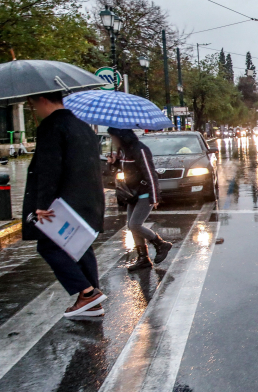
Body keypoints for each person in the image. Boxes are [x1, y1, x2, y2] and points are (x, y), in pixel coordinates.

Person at [22, 91, 106, 318]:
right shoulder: (83, 126)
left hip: (62, 203)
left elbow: (49, 168)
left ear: (42, 100)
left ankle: (88, 293)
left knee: (48, 246)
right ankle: (92, 302)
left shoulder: (51, 126)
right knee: (81, 247)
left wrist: (42, 204)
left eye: (33, 105)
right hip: (88, 200)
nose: (35, 110)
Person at [107, 128, 172, 271]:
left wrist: (155, 196)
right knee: (131, 226)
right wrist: (114, 162)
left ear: (121, 136)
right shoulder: (123, 151)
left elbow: (150, 173)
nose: (113, 140)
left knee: (135, 225)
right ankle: (143, 258)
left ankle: (161, 244)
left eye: (114, 137)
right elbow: (126, 170)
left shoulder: (140, 149)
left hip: (144, 193)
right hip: (132, 194)